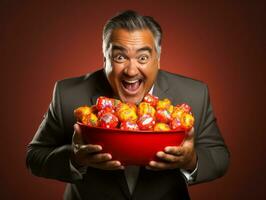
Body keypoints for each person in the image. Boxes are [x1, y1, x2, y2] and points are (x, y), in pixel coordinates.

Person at [26, 10, 230, 200]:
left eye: (143, 57)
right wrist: (75, 158)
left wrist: (191, 160)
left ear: (158, 59)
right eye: (120, 57)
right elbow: (35, 156)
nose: (131, 71)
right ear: (104, 58)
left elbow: (219, 156)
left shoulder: (194, 93)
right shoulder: (68, 93)